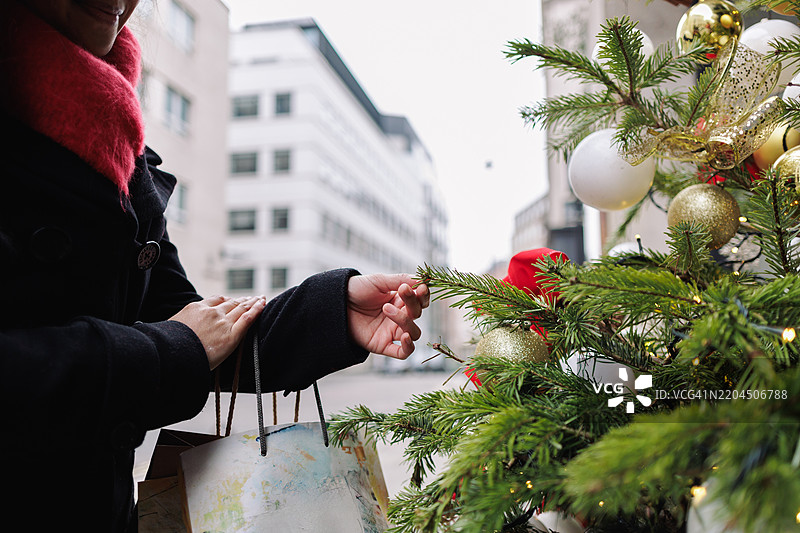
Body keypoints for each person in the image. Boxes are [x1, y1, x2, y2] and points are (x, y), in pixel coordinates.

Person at [0, 1, 430, 530]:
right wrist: (173, 350)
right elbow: (183, 339)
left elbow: (189, 321)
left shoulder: (117, 141)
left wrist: (332, 313)